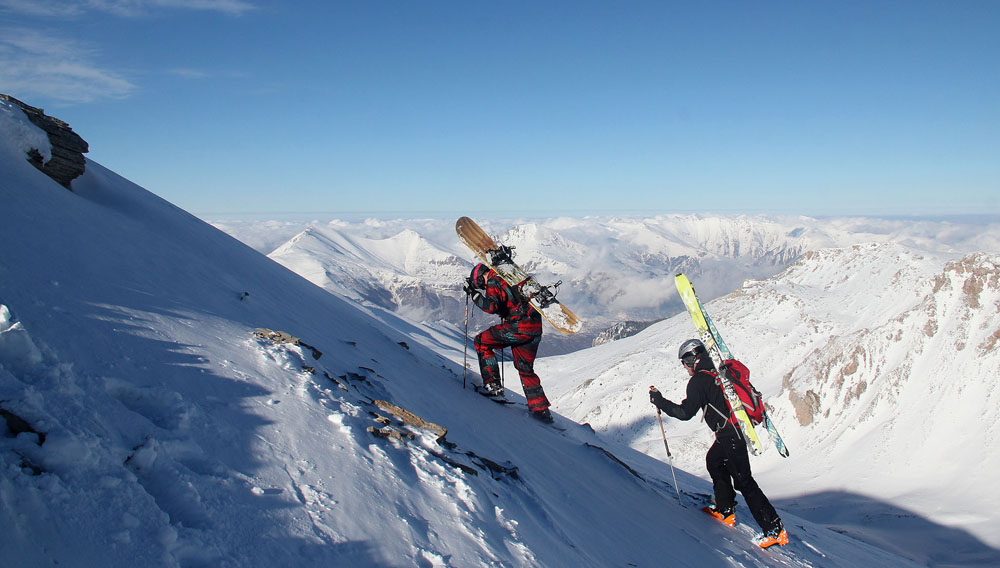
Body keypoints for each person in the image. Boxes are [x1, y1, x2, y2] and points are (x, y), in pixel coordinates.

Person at [649, 339, 788, 548]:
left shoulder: (699, 381)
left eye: (685, 362)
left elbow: (685, 413)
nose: (685, 367)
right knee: (714, 461)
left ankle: (774, 529)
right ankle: (725, 510)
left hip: (730, 435)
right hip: (733, 432)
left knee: (744, 482)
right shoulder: (717, 370)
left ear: (692, 359)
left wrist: (659, 401)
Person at [464, 263, 553, 423]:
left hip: (518, 328)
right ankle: (541, 410)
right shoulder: (510, 276)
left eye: (480, 284)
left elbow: (491, 306)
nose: (483, 287)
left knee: (482, 342)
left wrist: (474, 295)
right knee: (525, 368)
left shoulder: (493, 280)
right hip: (534, 327)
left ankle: (493, 387)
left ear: (481, 277)